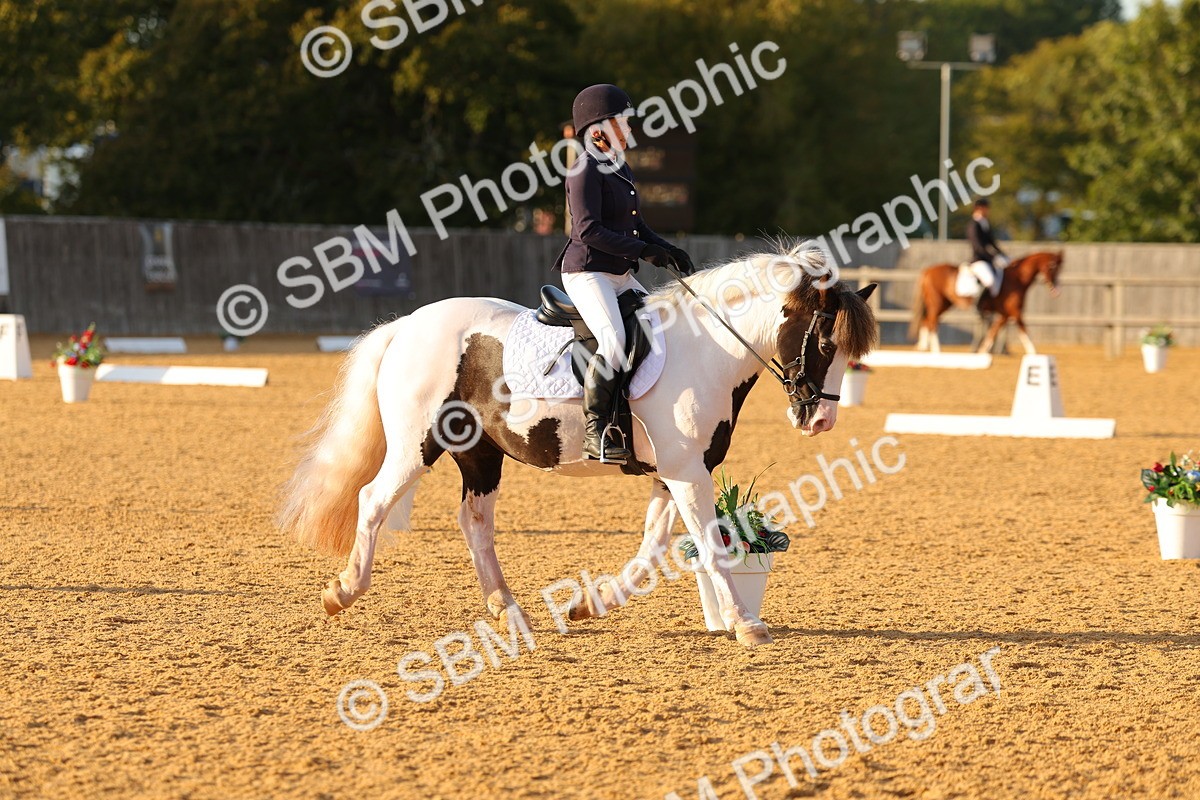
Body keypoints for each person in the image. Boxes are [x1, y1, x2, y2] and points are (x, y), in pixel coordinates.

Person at [552, 83, 695, 464]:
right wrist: (643, 252)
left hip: (616, 273)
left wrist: (665, 248)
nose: (630, 130)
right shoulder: (584, 169)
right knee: (614, 341)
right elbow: (587, 231)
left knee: (659, 329)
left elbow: (636, 227)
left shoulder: (619, 166)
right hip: (588, 273)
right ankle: (596, 431)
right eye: (623, 123)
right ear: (598, 130)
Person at [966, 198, 1009, 311]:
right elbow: (978, 246)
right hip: (978, 260)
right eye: (986, 208)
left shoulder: (985, 224)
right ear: (980, 208)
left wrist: (1003, 255)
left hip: (987, 260)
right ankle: (978, 305)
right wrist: (993, 257)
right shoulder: (973, 225)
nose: (988, 211)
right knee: (990, 280)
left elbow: (992, 243)